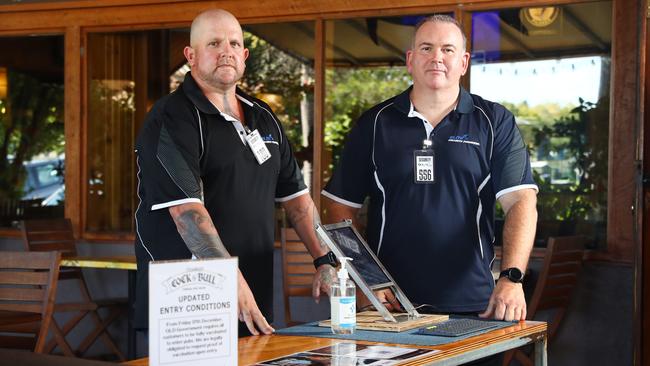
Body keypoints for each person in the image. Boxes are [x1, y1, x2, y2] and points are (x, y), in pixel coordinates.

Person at [322, 14, 538, 327]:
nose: (437, 57)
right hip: (390, 307)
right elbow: (339, 205)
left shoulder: (494, 122)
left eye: (448, 50)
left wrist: (511, 277)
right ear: (410, 60)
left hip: (475, 304)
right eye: (426, 48)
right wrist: (365, 279)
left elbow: (520, 202)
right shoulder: (375, 123)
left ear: (463, 63)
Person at [134, 8, 335, 338]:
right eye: (214, 43)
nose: (225, 51)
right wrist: (229, 279)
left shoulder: (264, 117)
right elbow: (187, 213)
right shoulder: (171, 117)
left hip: (251, 291)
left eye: (233, 43)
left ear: (243, 55)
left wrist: (324, 260)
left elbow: (297, 201)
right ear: (191, 55)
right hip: (187, 300)